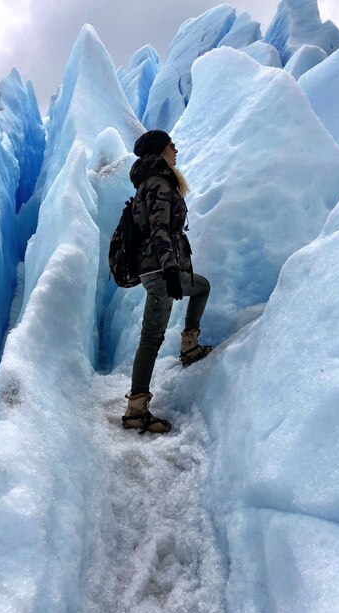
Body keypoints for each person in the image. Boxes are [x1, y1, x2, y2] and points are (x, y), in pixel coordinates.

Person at [122, 130, 212, 435]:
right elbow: (160, 229)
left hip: (155, 269)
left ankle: (189, 346)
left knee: (201, 287)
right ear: (161, 151)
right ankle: (136, 411)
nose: (176, 149)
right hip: (161, 271)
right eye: (172, 145)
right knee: (151, 338)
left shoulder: (148, 182)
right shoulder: (159, 183)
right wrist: (171, 270)